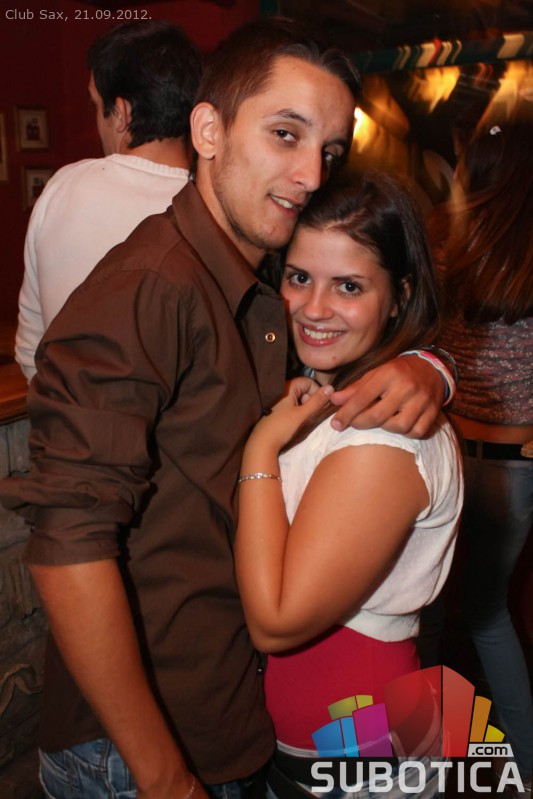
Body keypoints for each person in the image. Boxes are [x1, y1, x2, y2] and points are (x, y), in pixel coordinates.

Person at [0, 18, 452, 799]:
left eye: (329, 150)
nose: (310, 174)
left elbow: (365, 298)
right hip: (141, 747)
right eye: (285, 134)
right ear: (207, 130)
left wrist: (426, 365)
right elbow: (66, 546)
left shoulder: (264, 276)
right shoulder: (148, 287)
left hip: (238, 712)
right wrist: (161, 773)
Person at [234, 171, 463, 798]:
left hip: (362, 751)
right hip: (342, 742)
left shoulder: (384, 437)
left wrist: (260, 450)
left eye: (349, 286)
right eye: (299, 277)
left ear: (399, 296)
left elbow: (277, 623)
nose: (313, 308)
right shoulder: (330, 390)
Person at [15, 19, 203, 381]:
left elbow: (31, 348)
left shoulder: (63, 189)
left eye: (95, 104)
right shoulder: (216, 206)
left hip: (65, 411)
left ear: (121, 114)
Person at [434, 119, 533, 790]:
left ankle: (430, 764)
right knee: (486, 611)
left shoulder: (451, 254)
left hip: (454, 459)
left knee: (438, 613)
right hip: (515, 466)